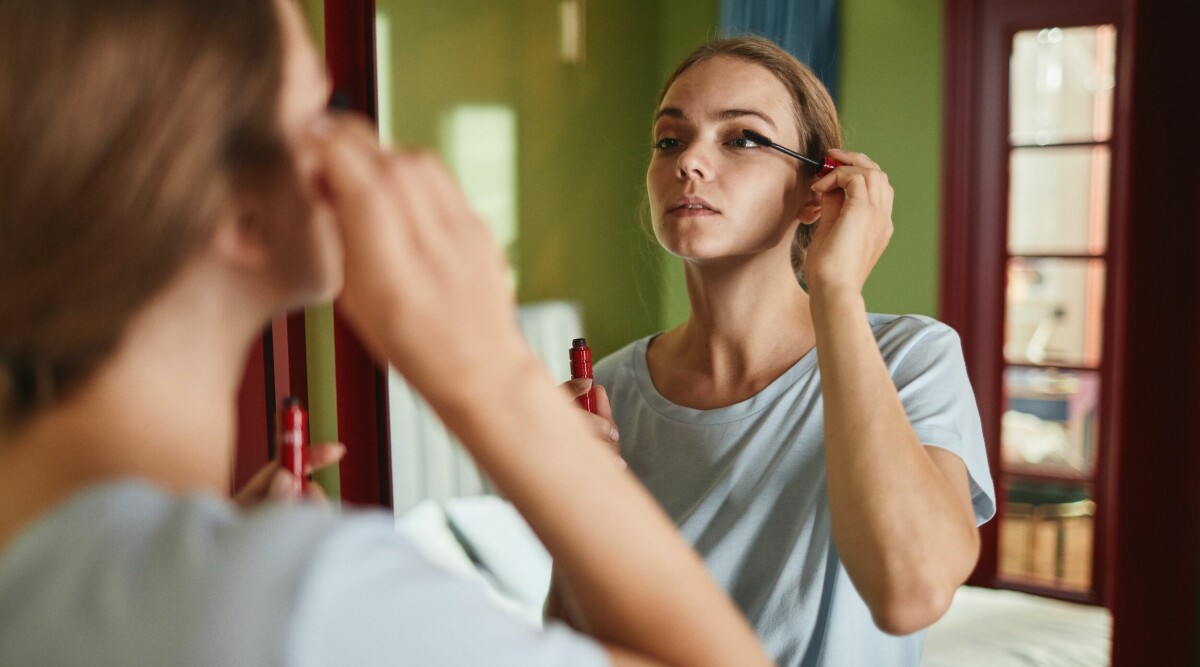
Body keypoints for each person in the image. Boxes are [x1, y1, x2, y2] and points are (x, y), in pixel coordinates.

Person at [0, 1, 773, 665]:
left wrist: (224, 560)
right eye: (321, 111)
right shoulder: (290, 596)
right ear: (233, 208)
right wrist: (490, 378)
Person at [548, 37, 996, 666]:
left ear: (818, 191)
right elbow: (572, 645)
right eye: (670, 140)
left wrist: (836, 290)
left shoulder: (911, 357)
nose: (690, 163)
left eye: (744, 139)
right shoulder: (610, 393)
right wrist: (573, 506)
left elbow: (909, 594)